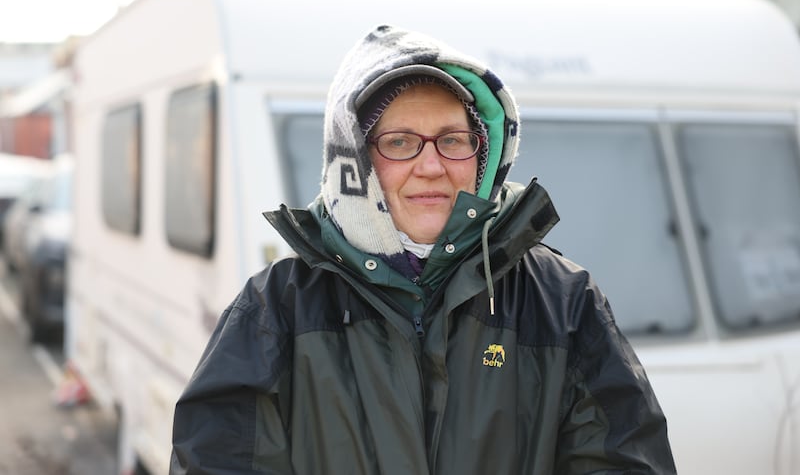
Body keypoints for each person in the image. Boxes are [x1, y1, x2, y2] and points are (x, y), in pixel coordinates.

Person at [170, 24, 677, 474]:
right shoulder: (276, 309)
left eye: (453, 140)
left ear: (484, 154)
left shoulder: (562, 301)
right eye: (399, 142)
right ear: (354, 160)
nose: (432, 166)